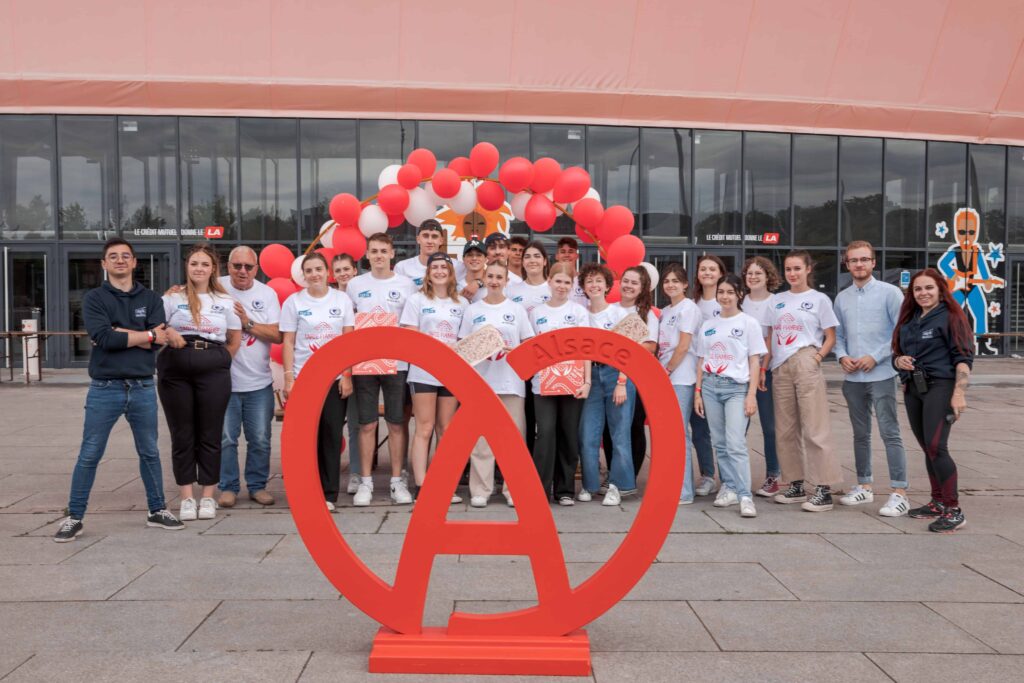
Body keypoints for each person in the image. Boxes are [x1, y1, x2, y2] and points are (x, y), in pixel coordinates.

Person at [54, 238, 185, 542]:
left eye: (126, 256)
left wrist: (127, 333)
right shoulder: (95, 298)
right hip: (105, 387)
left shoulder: (150, 298)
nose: (120, 261)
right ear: (104, 264)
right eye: (113, 257)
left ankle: (156, 510)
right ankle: (74, 516)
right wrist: (148, 334)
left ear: (135, 262)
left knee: (150, 452)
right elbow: (103, 338)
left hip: (142, 387)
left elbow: (159, 335)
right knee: (90, 453)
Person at [159, 243, 241, 522]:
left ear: (213, 269)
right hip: (176, 368)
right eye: (194, 263)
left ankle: (208, 496)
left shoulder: (224, 300)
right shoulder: (172, 297)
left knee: (210, 433)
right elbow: (156, 327)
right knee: (182, 434)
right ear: (187, 266)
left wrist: (219, 361)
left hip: (213, 367)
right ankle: (186, 497)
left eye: (204, 264)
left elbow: (234, 337)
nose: (199, 268)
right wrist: (169, 331)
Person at [893, 269, 973, 533]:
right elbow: (898, 352)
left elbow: (963, 358)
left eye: (928, 288)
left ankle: (954, 509)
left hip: (941, 386)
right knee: (928, 447)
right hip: (914, 388)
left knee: (938, 447)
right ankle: (937, 501)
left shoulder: (951, 317)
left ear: (940, 289)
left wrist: (959, 393)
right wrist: (898, 360)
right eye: (918, 289)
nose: (923, 293)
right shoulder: (910, 318)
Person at [833, 241, 910, 517]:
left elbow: (899, 332)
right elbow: (838, 335)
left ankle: (900, 492)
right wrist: (842, 356)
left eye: (864, 259)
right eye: (854, 260)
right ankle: (864, 485)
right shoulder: (842, 298)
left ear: (874, 262)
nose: (859, 265)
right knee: (860, 434)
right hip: (853, 377)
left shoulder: (890, 294)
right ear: (847, 264)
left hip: (881, 373)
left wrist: (875, 357)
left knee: (890, 432)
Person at [345, 233, 418, 506]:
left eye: (383, 250)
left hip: (397, 363)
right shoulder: (355, 284)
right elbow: (348, 324)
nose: (378, 255)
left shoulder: (407, 285)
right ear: (366, 255)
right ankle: (365, 482)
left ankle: (398, 481)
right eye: (373, 251)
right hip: (365, 363)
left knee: (397, 423)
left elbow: (411, 324)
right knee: (367, 424)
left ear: (391, 253)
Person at [768, 250, 843, 512]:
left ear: (808, 269)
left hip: (805, 359)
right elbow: (770, 335)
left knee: (815, 426)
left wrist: (818, 356)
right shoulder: (777, 301)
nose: (792, 273)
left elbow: (830, 336)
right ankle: (795, 483)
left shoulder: (819, 299)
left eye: (797, 268)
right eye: (788, 269)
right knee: (786, 430)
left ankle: (823, 487)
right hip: (781, 365)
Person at [280, 252, 355, 511]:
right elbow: (288, 341)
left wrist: (347, 375)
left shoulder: (342, 300)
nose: (314, 274)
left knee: (331, 435)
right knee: (305, 438)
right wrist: (289, 378)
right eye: (309, 270)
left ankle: (328, 494)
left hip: (334, 379)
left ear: (327, 272)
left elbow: (348, 342)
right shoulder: (293, 302)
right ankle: (305, 491)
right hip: (304, 378)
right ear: (304, 275)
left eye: (318, 269)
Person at [459, 262, 533, 507]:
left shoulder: (517, 310)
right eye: (490, 276)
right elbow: (464, 347)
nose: (493, 280)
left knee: (514, 439)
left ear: (506, 281)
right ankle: (481, 490)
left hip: (511, 382)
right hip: (482, 383)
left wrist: (515, 350)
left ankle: (514, 490)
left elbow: (529, 344)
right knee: (482, 440)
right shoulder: (473, 310)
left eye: (498, 277)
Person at [693, 274, 766, 518]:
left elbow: (754, 361)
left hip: (736, 388)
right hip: (711, 386)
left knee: (736, 444)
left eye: (730, 292)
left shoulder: (748, 323)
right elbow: (702, 360)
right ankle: (730, 488)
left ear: (739, 295)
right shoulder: (708, 325)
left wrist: (751, 395)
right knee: (720, 444)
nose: (724, 296)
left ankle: (745, 495)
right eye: (721, 292)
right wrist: (698, 392)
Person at [217, 246, 282, 508]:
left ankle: (257, 486)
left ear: (256, 269)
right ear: (228, 266)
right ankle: (228, 487)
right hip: (223, 382)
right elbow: (186, 294)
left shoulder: (267, 294)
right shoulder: (215, 287)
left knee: (260, 438)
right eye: (237, 266)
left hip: (259, 383)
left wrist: (247, 323)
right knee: (226, 438)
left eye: (248, 267)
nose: (242, 271)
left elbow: (278, 334)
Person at [399, 252, 467, 503]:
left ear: (451, 273)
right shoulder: (416, 300)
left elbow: (464, 341)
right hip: (424, 372)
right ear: (428, 273)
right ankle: (422, 485)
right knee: (424, 428)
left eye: (444, 267)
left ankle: (443, 485)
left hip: (451, 373)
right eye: (435, 267)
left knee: (446, 430)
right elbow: (411, 337)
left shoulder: (461, 303)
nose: (439, 271)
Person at [529, 262, 591, 505]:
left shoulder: (578, 312)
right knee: (544, 434)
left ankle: (565, 490)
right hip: (543, 383)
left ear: (572, 285)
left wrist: (586, 381)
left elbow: (586, 348)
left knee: (568, 434)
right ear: (549, 282)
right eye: (558, 281)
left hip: (572, 383)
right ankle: (540, 489)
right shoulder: (536, 313)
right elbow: (531, 348)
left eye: (567, 282)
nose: (562, 286)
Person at [578, 263, 636, 506]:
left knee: (620, 432)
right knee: (587, 433)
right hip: (591, 375)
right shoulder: (581, 314)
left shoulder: (619, 314)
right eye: (589, 281)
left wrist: (622, 382)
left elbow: (629, 351)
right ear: (583, 287)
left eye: (598, 281)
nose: (594, 285)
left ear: (607, 286)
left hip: (617, 375)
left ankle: (619, 485)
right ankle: (590, 485)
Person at [607, 265, 659, 479]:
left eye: (634, 282)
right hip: (609, 375)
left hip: (637, 379)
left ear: (643, 287)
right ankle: (612, 474)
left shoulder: (647, 315)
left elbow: (651, 347)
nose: (628, 286)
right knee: (610, 428)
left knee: (634, 426)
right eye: (626, 281)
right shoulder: (610, 309)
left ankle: (631, 476)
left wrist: (623, 349)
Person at [657, 262, 701, 504]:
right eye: (667, 281)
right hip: (668, 377)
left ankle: (684, 491)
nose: (671, 284)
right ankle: (672, 485)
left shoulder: (688, 308)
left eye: (676, 280)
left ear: (685, 284)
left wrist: (668, 370)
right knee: (669, 435)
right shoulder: (665, 311)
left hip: (681, 377)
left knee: (679, 434)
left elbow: (684, 346)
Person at [740, 256, 782, 497]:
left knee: (770, 427)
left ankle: (773, 476)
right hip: (739, 372)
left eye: (758, 273)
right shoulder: (741, 301)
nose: (753, 277)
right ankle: (735, 476)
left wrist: (764, 369)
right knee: (738, 428)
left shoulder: (775, 303)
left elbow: (771, 339)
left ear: (768, 276)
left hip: (766, 372)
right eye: (749, 273)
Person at [507, 241, 552, 453]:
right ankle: (519, 464)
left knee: (546, 424)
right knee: (521, 418)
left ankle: (541, 468)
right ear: (522, 262)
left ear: (544, 261)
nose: (532, 260)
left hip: (548, 365)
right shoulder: (512, 289)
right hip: (518, 364)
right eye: (527, 257)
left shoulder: (555, 288)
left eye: (536, 256)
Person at [691, 254, 726, 496]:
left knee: (723, 430)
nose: (707, 273)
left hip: (721, 373)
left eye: (712, 269)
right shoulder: (691, 304)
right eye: (703, 269)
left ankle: (728, 478)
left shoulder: (726, 302)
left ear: (720, 274)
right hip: (694, 372)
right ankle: (707, 475)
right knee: (700, 429)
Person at [332, 252, 363, 494]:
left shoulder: (362, 295)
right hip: (334, 369)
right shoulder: (330, 298)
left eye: (347, 269)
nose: (343, 273)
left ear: (355, 270)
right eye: (338, 270)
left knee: (357, 423)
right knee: (335, 425)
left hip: (362, 367)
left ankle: (357, 472)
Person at [394, 219, 466, 285]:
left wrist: (477, 282)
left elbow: (473, 277)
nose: (429, 241)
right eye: (425, 236)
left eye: (434, 236)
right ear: (418, 239)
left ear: (441, 240)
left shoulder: (456, 266)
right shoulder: (402, 267)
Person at [555, 236, 590, 308]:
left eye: (571, 251)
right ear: (557, 256)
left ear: (577, 256)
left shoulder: (585, 281)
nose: (567, 255)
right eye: (563, 252)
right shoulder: (551, 282)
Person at [458, 238, 489, 303]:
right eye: (470, 255)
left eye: (479, 255)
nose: (474, 258)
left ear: (486, 259)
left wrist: (478, 283)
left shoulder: (493, 285)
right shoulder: (456, 286)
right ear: (463, 259)